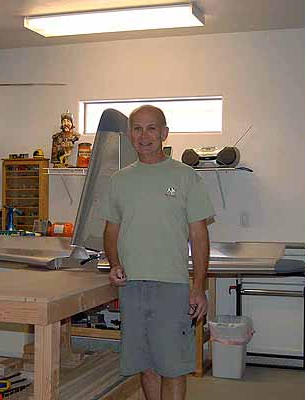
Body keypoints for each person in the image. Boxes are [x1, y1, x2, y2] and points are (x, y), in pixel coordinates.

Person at [101, 105, 214, 400]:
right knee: (145, 364)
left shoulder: (186, 176)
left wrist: (198, 287)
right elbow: (111, 230)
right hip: (132, 286)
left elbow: (199, 235)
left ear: (164, 133)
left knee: (173, 367)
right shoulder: (119, 180)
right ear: (130, 135)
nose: (144, 136)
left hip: (172, 286)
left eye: (151, 128)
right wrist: (114, 263)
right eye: (137, 129)